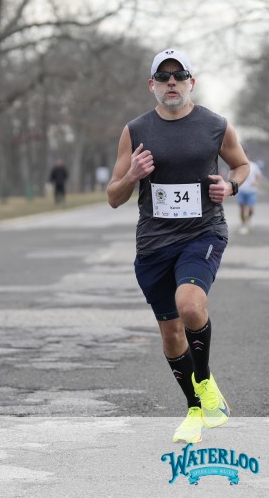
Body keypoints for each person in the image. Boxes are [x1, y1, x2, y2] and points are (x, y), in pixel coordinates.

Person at [107, 47, 250, 445]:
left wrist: (231, 186)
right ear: (151, 85)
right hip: (154, 244)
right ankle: (194, 409)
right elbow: (114, 196)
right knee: (171, 333)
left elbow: (241, 165)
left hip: (202, 233)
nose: (172, 83)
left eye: (179, 76)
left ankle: (204, 381)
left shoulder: (215, 125)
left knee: (190, 305)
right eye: (163, 77)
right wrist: (132, 175)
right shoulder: (135, 130)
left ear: (191, 82)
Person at [236, 159, 264, 234]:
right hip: (241, 190)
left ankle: (248, 219)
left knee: (251, 209)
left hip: (251, 190)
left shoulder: (253, 165)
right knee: (242, 209)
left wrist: (256, 182)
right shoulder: (237, 165)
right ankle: (243, 224)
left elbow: (259, 175)